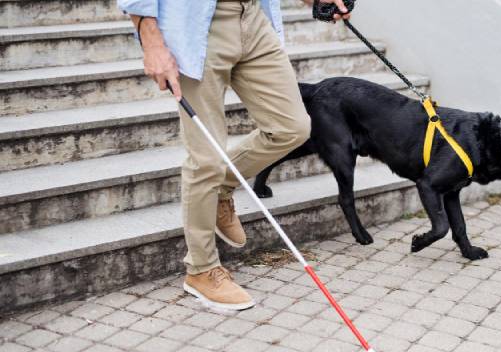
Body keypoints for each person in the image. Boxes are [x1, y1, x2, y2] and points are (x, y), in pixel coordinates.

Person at [117, 0, 352, 310]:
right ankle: (201, 269)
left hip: (252, 18)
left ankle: (222, 187)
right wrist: (150, 40)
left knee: (291, 128)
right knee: (206, 159)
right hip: (198, 25)